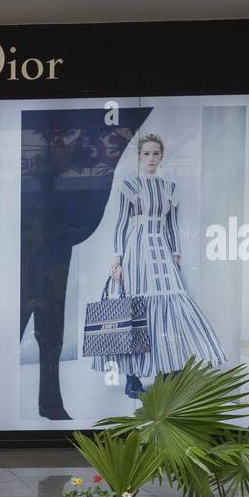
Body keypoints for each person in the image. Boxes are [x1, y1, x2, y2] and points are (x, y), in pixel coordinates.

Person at [91, 133, 226, 398]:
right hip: (137, 251)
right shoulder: (129, 186)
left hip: (161, 251)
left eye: (155, 153)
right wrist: (116, 260)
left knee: (169, 308)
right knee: (136, 311)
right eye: (146, 153)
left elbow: (172, 224)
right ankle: (132, 376)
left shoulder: (170, 188)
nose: (151, 158)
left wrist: (176, 253)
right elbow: (120, 224)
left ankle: (165, 369)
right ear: (139, 157)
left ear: (162, 156)